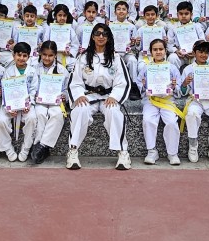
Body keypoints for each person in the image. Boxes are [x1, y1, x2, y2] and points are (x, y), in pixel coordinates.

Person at [67, 23, 132, 170]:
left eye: (104, 34)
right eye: (97, 33)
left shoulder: (115, 57)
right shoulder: (83, 57)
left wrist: (114, 97)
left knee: (114, 112)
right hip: (88, 94)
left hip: (109, 95)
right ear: (92, 37)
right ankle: (73, 150)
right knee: (79, 110)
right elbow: (75, 81)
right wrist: (79, 95)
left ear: (109, 37)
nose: (101, 36)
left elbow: (122, 82)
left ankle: (123, 152)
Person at [138, 38, 183, 166]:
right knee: (148, 120)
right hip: (151, 100)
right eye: (155, 49)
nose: (158, 52)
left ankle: (172, 153)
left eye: (161, 49)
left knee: (171, 122)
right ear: (151, 52)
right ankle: (152, 151)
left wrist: (174, 86)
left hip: (167, 100)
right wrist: (143, 85)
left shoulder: (172, 68)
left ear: (165, 51)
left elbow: (178, 86)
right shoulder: (146, 68)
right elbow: (139, 82)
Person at [30, 41, 69, 165]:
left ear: (55, 55)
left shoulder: (62, 70)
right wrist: (35, 95)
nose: (47, 58)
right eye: (44, 55)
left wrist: (64, 96)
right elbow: (31, 86)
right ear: (40, 54)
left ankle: (41, 146)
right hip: (40, 101)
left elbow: (66, 89)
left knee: (57, 115)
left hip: (55, 102)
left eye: (50, 55)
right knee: (40, 114)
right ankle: (40, 147)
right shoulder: (34, 68)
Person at [0, 42, 39, 162]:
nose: (21, 58)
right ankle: (8, 149)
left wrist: (28, 104)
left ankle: (26, 148)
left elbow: (33, 90)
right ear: (13, 55)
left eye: (24, 56)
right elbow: (5, 90)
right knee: (2, 120)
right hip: (10, 104)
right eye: (19, 55)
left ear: (29, 57)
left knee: (32, 118)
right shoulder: (8, 71)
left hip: (26, 104)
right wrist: (9, 107)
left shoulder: (32, 71)